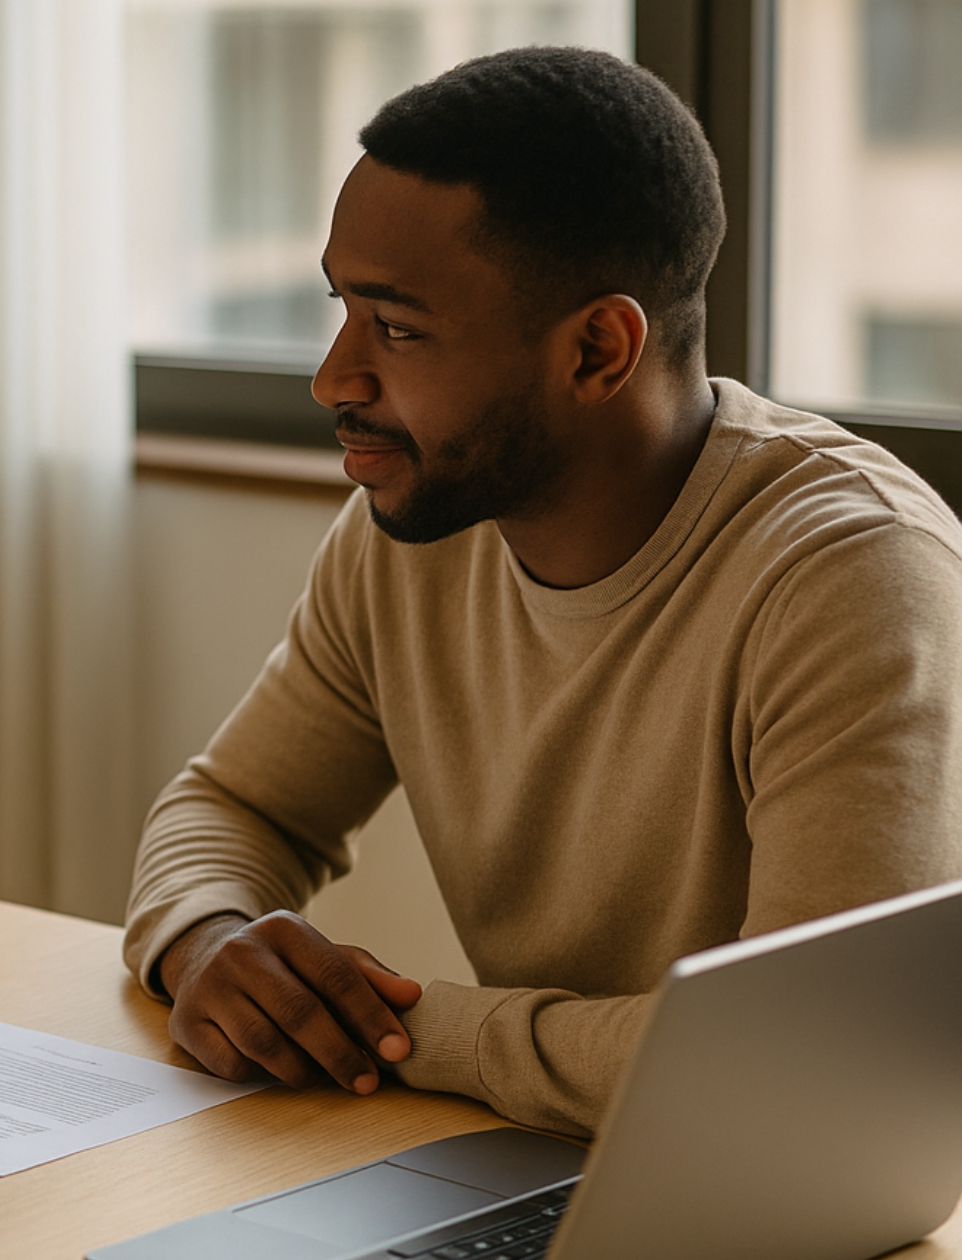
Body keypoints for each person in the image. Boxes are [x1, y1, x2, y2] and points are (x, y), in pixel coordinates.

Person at [127, 46, 962, 1138]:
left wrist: (389, 1030)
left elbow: (803, 1063)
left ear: (595, 351)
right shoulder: (407, 534)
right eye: (340, 309)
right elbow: (234, 807)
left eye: (397, 327)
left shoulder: (851, 580)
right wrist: (208, 940)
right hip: (552, 1157)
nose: (333, 378)